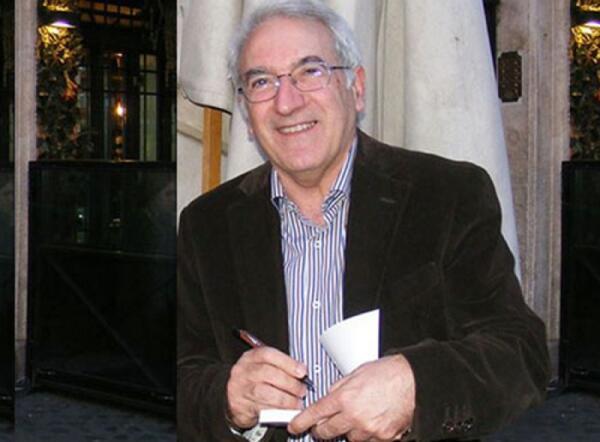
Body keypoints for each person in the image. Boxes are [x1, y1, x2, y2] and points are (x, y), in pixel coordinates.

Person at [177, 1, 550, 441]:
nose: (286, 102)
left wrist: (415, 384)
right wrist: (226, 397)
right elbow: (182, 372)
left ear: (356, 88)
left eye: (310, 71)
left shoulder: (446, 196)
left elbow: (520, 352)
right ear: (245, 112)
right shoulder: (206, 225)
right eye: (261, 81)